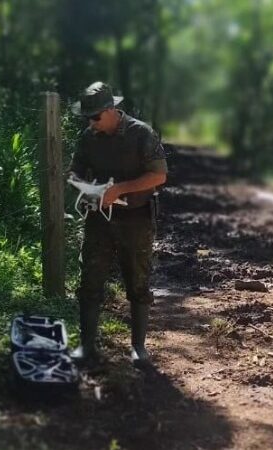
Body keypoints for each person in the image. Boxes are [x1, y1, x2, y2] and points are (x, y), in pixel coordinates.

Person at [68, 81, 168, 366]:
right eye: (87, 117)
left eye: (96, 116)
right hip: (99, 219)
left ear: (112, 110)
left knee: (138, 281)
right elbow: (74, 171)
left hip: (136, 220)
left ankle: (138, 348)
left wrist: (119, 189)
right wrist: (86, 189)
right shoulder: (88, 137)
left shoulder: (141, 134)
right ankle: (87, 347)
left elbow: (159, 175)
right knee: (90, 280)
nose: (91, 122)